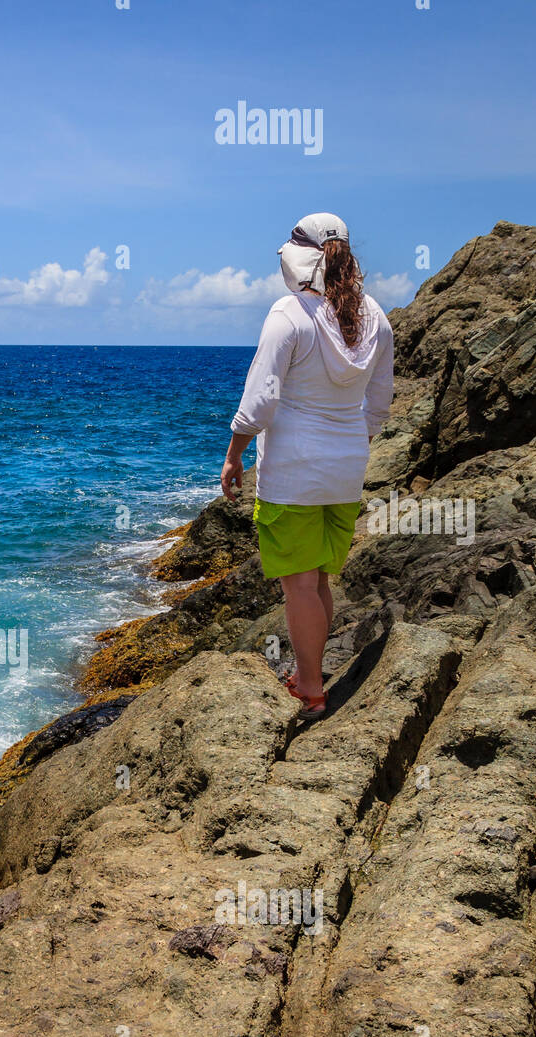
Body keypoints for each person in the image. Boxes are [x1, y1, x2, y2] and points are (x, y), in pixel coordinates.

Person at [221, 213, 394, 719]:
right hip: (345, 469)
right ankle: (309, 673)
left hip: (294, 472)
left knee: (299, 583)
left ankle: (311, 689)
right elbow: (379, 401)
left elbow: (259, 400)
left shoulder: (289, 313)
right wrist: (351, 440)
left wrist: (234, 455)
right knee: (318, 580)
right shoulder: (374, 316)